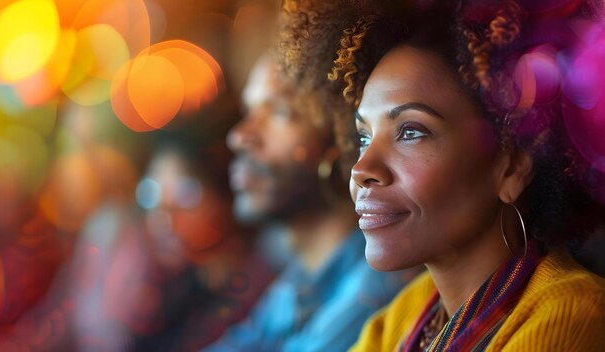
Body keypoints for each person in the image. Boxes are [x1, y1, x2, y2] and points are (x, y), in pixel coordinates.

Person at [278, 0, 605, 351]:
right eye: (364, 137)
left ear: (512, 167)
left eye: (411, 131)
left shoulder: (572, 313)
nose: (362, 170)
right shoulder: (408, 312)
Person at [203, 51, 415, 352]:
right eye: (248, 111)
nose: (239, 136)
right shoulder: (298, 280)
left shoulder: (374, 293)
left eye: (279, 111)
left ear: (342, 140)